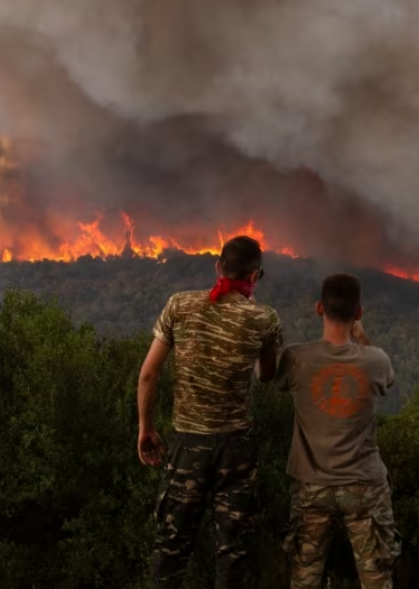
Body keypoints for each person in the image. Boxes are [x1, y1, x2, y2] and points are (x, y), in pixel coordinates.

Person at [136, 235, 284, 589]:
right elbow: (266, 376)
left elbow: (147, 373)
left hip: (188, 445)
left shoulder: (179, 305)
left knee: (172, 548)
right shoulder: (264, 319)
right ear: (254, 277)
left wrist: (146, 428)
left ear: (217, 267)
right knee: (233, 553)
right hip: (236, 449)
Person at [277, 273, 401, 589]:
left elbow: (269, 377)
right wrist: (362, 336)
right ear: (358, 313)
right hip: (364, 485)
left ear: (319, 308)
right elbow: (390, 378)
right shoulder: (376, 360)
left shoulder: (295, 357)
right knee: (376, 577)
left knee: (304, 578)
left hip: (311, 487)